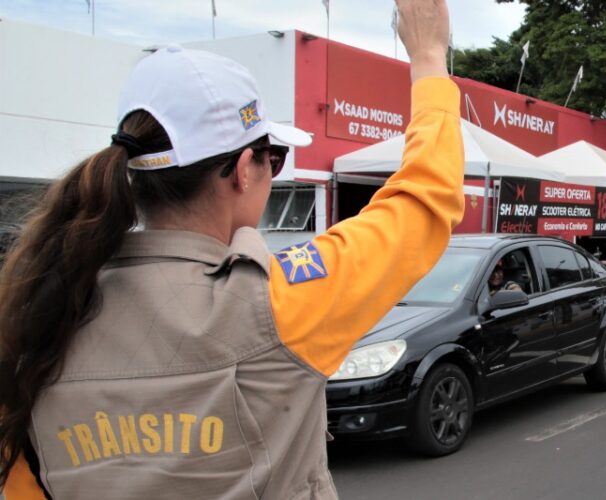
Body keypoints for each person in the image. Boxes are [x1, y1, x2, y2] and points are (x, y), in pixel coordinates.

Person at [0, 1, 461, 498]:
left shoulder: (39, 319)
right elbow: (423, 203)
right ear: (244, 170)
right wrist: (429, 57)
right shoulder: (277, 303)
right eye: (274, 157)